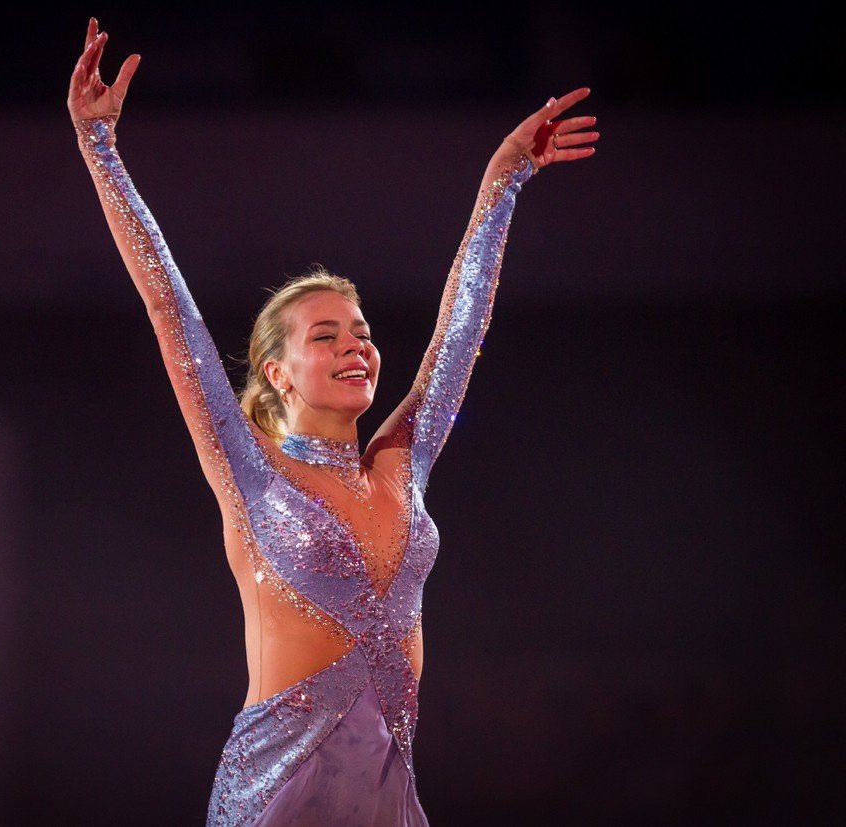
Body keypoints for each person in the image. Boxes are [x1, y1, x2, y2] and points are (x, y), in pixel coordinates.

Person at [67, 17, 597, 826]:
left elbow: (460, 332)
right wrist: (100, 149)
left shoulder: (402, 463)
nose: (357, 347)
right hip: (277, 796)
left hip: (387, 800)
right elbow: (169, 309)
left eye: (362, 332)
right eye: (326, 336)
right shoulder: (250, 471)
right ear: (276, 372)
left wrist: (502, 182)